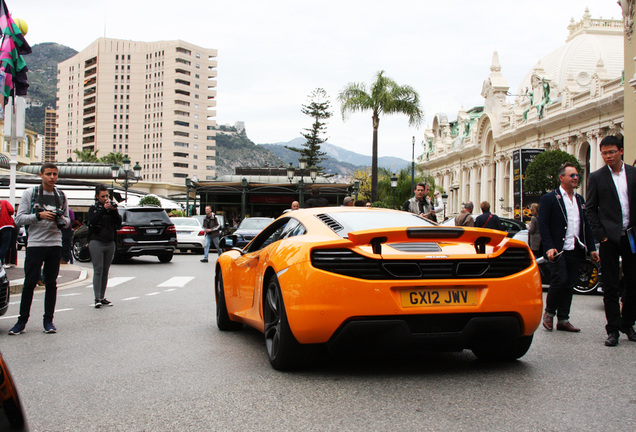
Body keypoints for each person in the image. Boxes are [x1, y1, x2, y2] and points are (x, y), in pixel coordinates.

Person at [586, 135, 636, 346]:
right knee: (610, 286)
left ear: (621, 151)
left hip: (632, 237)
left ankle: (628, 323)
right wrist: (602, 236)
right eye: (604, 153)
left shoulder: (633, 174)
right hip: (609, 239)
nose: (608, 156)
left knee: (633, 283)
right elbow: (590, 209)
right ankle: (613, 329)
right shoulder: (597, 177)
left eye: (612, 152)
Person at [10, 163, 70, 335]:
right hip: (35, 244)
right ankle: (21, 322)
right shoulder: (31, 193)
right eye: (49, 174)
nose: (52, 177)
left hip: (54, 243)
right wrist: (39, 216)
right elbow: (18, 219)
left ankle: (48, 321)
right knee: (29, 283)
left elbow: (67, 220)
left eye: (55, 174)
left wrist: (60, 220)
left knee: (51, 283)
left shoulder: (61, 195)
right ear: (41, 175)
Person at [539, 162, 599, 333]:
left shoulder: (580, 200)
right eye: (572, 175)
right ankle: (549, 313)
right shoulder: (550, 199)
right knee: (560, 280)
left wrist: (592, 248)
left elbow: (586, 225)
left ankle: (564, 319)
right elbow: (543, 225)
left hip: (575, 248)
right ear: (562, 177)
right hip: (557, 250)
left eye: (577, 176)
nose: (575, 178)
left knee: (570, 283)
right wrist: (549, 247)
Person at [88, 185, 122, 308]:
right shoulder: (94, 208)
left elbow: (118, 222)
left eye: (107, 196)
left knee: (105, 270)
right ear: (97, 197)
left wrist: (113, 210)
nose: (105, 198)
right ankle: (97, 297)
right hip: (96, 241)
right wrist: (103, 209)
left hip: (110, 242)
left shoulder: (111, 209)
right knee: (98, 269)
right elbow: (92, 220)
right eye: (103, 196)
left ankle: (102, 297)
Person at [0, 199, 15, 266]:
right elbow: (11, 211)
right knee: (5, 245)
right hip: (6, 224)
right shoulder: (4, 202)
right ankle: (1, 262)